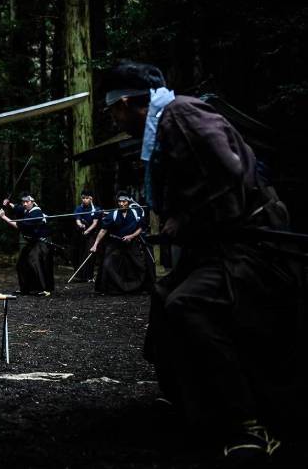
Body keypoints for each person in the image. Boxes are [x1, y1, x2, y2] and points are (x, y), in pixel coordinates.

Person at [102, 60, 304, 464]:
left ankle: (248, 425)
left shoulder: (181, 114)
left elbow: (230, 172)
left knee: (188, 304)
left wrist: (186, 220)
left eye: (113, 113)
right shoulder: (166, 122)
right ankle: (194, 407)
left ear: (124, 104)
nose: (115, 121)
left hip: (252, 245)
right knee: (164, 296)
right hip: (219, 244)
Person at [89, 192, 151, 294]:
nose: (121, 204)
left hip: (131, 243)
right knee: (107, 264)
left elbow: (141, 228)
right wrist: (95, 245)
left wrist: (131, 236)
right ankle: (110, 289)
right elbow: (103, 230)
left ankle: (138, 288)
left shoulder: (135, 213)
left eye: (124, 201)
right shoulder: (113, 214)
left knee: (140, 265)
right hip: (116, 243)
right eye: (120, 202)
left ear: (128, 202)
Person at [0, 194, 54, 296]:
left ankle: (44, 289)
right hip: (33, 242)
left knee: (34, 261)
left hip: (42, 243)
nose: (24, 204)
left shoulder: (36, 213)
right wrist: (8, 203)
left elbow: (18, 226)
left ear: (32, 202)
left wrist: (4, 217)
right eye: (23, 202)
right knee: (21, 263)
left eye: (27, 202)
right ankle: (25, 288)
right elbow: (17, 208)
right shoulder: (27, 209)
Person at [71, 190, 99, 283]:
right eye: (83, 198)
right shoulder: (79, 208)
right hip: (80, 234)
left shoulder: (96, 209)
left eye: (87, 198)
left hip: (91, 235)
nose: (84, 200)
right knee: (79, 254)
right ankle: (80, 276)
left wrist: (87, 230)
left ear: (91, 198)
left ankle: (89, 276)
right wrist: (80, 225)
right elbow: (77, 219)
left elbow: (95, 223)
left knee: (89, 254)